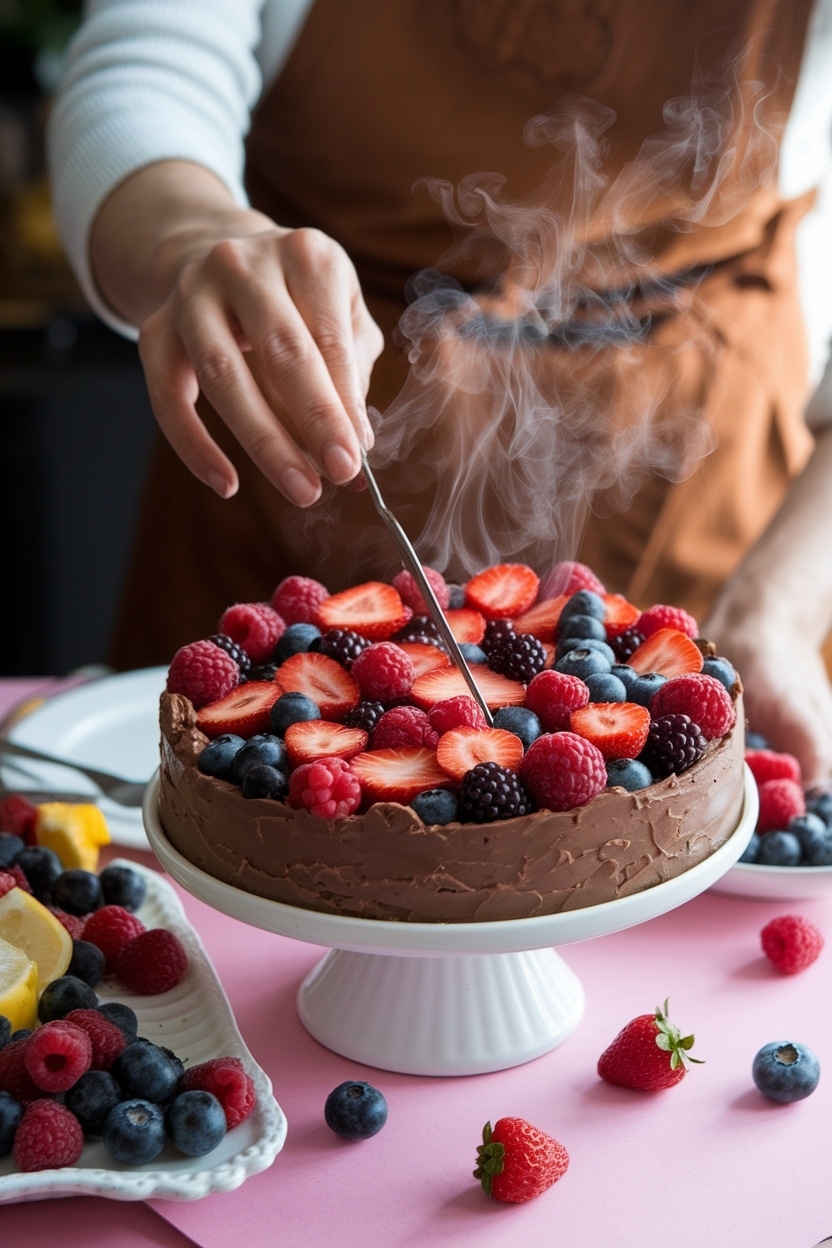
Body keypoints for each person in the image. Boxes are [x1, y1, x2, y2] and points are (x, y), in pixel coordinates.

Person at [49, 0, 832, 783]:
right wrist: (189, 236)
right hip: (295, 398)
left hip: (708, 475)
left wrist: (782, 609)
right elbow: (145, 71)